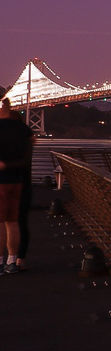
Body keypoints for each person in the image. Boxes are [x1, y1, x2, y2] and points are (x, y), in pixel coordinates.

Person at [0, 97, 33, 274]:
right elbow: (26, 157)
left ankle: (3, 262)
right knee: (15, 222)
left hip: (4, 181)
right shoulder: (24, 132)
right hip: (20, 182)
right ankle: (15, 260)